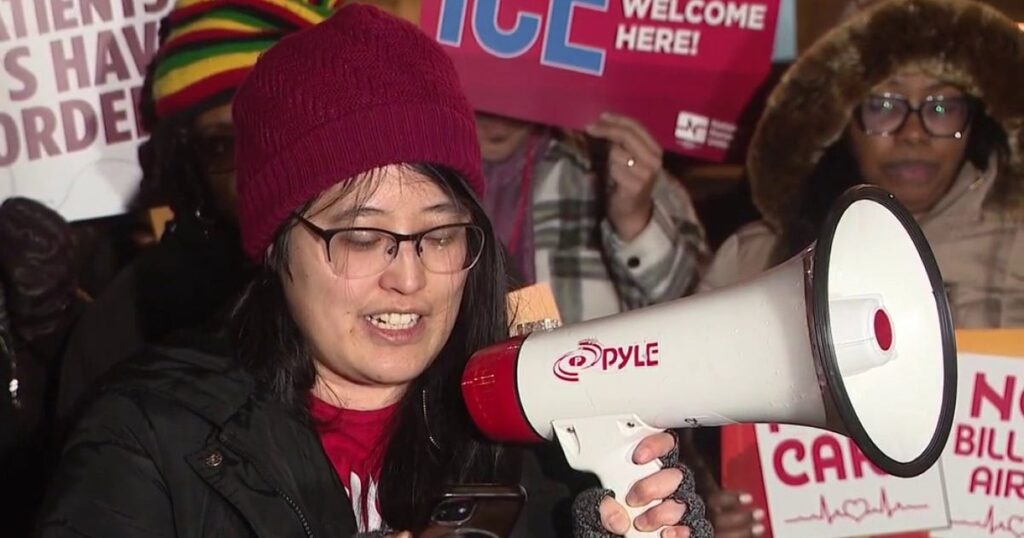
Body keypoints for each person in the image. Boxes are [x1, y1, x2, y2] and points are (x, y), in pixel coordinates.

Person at [38, 5, 713, 537]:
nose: (409, 280)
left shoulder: (538, 432)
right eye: (362, 238)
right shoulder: (147, 440)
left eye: (441, 234)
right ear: (275, 243)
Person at [700, 0, 1024, 535]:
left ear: (977, 120)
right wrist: (709, 501)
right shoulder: (759, 258)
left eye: (942, 108)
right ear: (841, 125)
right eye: (883, 106)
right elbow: (688, 424)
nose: (914, 132)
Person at [56, 0, 344, 417]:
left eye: (276, 129)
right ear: (188, 166)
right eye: (221, 145)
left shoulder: (407, 272)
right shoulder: (131, 318)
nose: (255, 165)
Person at [476, 113, 707, 324]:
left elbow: (700, 313)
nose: (499, 120)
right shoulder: (442, 171)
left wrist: (635, 221)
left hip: (586, 365)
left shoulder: (624, 168)